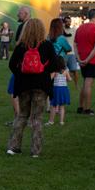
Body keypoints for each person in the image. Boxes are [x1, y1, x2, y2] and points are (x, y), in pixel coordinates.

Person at [7, 19, 57, 157]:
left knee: (22, 115)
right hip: (41, 85)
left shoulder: (21, 46)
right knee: (37, 118)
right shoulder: (47, 45)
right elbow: (54, 64)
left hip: (23, 85)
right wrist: (44, 73)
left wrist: (20, 74)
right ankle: (36, 150)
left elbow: (11, 64)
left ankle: (13, 146)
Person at [74, 9, 95, 116]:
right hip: (93, 60)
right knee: (88, 84)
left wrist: (79, 58)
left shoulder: (80, 28)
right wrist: (88, 59)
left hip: (82, 59)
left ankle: (80, 106)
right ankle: (87, 109)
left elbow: (75, 45)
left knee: (84, 83)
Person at [47, 57, 70, 126]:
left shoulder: (54, 71)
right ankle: (61, 122)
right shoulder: (65, 71)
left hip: (56, 89)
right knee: (62, 106)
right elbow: (69, 79)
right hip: (64, 89)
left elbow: (49, 79)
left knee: (53, 105)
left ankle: (51, 121)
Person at [62, 16, 80, 88]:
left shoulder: (74, 30)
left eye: (69, 21)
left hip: (72, 53)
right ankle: (64, 85)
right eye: (66, 21)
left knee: (74, 70)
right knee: (63, 71)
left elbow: (77, 40)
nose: (68, 23)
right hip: (63, 54)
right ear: (64, 22)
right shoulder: (61, 31)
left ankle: (76, 85)